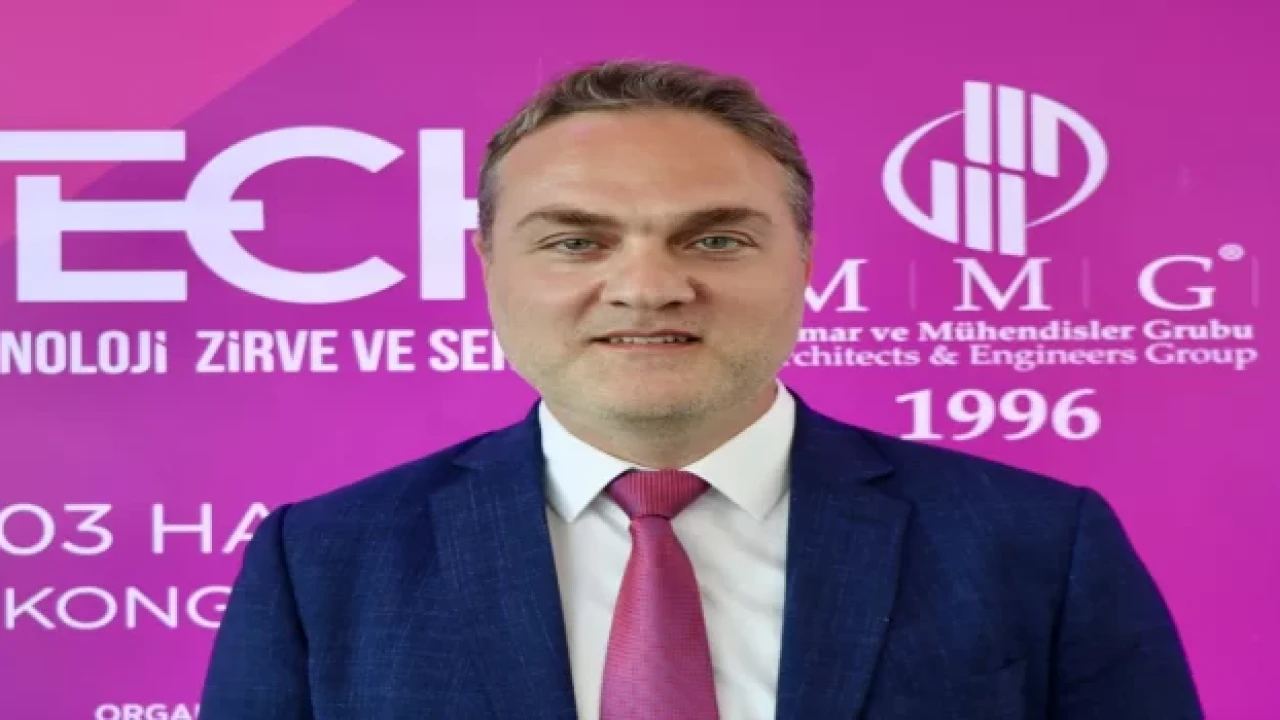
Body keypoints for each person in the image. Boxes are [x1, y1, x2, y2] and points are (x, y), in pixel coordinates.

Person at [199, 60, 1203, 719]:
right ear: (489, 267)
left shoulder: (1039, 543)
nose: (647, 287)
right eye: (575, 241)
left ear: (804, 259)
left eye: (715, 238)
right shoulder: (321, 561)